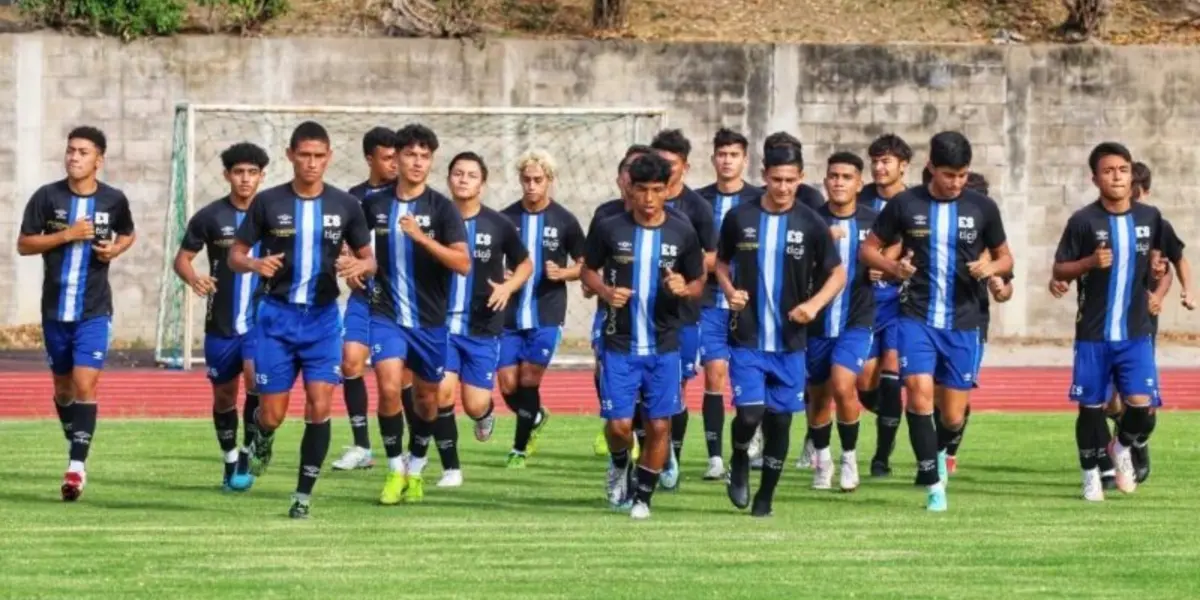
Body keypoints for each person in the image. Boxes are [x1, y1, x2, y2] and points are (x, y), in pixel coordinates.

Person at [858, 131, 1013, 512]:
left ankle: (941, 453)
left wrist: (990, 267)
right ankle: (932, 482)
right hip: (915, 317)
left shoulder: (982, 208)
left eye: (962, 175)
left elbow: (1006, 258)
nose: (956, 182)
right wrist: (893, 267)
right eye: (948, 175)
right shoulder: (905, 204)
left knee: (953, 414)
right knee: (918, 393)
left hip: (964, 320)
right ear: (930, 168)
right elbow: (867, 250)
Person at [228, 120, 376, 519]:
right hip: (276, 319)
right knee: (272, 414)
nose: (311, 163)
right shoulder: (268, 203)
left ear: (328, 157)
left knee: (319, 403)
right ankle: (259, 439)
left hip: (324, 321)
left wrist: (356, 264)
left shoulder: (346, 205)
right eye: (304, 155)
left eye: (319, 156)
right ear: (291, 155)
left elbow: (369, 257)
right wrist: (254, 263)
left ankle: (302, 494)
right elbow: (235, 254)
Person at [718, 144, 846, 517]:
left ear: (801, 178)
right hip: (748, 337)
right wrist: (729, 291)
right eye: (776, 180)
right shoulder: (740, 218)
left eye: (791, 180)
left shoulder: (810, 223)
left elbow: (837, 273)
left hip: (791, 342)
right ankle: (739, 458)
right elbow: (722, 263)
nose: (784, 187)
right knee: (749, 415)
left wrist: (814, 305)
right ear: (764, 177)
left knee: (780, 421)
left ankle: (765, 498)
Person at [581, 152, 705, 520]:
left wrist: (684, 287)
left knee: (658, 424)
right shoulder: (609, 227)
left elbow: (699, 281)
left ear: (668, 189)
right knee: (619, 426)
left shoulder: (682, 231)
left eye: (656, 190)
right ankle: (620, 465)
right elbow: (587, 271)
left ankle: (643, 498)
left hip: (665, 344)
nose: (649, 199)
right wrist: (605, 292)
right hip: (619, 341)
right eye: (641, 190)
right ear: (629, 189)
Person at [18, 125, 137, 502]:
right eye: (70, 150)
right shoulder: (46, 196)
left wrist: (115, 250)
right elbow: (24, 244)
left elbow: (128, 233)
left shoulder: (114, 200)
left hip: (93, 310)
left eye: (83, 152)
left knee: (86, 385)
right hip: (55, 311)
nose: (74, 157)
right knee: (63, 389)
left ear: (98, 160)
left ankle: (76, 468)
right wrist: (65, 236)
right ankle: (78, 437)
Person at [1051, 142, 1169, 501]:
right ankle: (1090, 474)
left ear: (1131, 174)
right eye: (1108, 171)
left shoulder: (1151, 218)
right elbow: (1059, 268)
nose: (1116, 177)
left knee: (1140, 405)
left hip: (1136, 332)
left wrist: (1162, 283)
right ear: (1095, 178)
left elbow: (1170, 259)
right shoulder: (1083, 221)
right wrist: (1087, 263)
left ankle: (1122, 447)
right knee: (1090, 408)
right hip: (1093, 333)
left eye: (1122, 170)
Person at [364, 123, 470, 504]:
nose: (417, 162)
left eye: (425, 156)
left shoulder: (442, 208)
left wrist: (423, 239)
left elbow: (462, 263)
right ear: (397, 158)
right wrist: (353, 265)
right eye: (410, 154)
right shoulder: (374, 205)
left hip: (429, 320)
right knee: (390, 386)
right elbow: (357, 251)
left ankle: (418, 464)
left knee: (428, 401)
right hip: (386, 313)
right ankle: (394, 471)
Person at [172, 142, 269, 491]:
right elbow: (182, 259)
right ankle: (230, 460)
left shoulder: (274, 212)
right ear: (227, 175)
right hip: (221, 322)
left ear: (262, 176)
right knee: (225, 397)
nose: (245, 179)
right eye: (239, 172)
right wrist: (194, 277)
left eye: (252, 173)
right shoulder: (211, 216)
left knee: (257, 382)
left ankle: (247, 451)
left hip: (261, 321)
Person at [434, 152, 533, 487]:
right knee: (441, 394)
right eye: (458, 173)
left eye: (471, 175)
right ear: (448, 179)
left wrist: (508, 287)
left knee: (474, 403)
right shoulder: (434, 219)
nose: (463, 179)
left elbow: (525, 264)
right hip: (442, 324)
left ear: (482, 183)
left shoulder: (498, 224)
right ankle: (451, 469)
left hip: (482, 326)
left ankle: (485, 415)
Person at [498, 150, 586, 468]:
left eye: (538, 180)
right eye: (527, 180)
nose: (532, 185)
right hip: (509, 314)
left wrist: (564, 274)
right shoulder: (506, 218)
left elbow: (586, 266)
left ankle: (518, 449)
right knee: (508, 384)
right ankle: (535, 415)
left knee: (529, 379)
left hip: (547, 313)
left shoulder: (564, 220)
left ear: (549, 180)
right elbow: (489, 260)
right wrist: (501, 276)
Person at [694, 128, 764, 480]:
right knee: (715, 374)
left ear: (745, 160)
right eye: (721, 154)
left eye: (734, 155)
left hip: (752, 303)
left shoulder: (760, 200)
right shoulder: (697, 200)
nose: (727, 160)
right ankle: (714, 457)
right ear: (713, 159)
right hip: (710, 300)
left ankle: (753, 438)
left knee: (750, 372)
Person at [804, 152, 876, 492]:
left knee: (844, 384)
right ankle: (822, 459)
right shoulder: (809, 221)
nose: (839, 182)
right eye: (833, 176)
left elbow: (893, 257)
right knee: (817, 399)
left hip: (856, 320)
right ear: (825, 181)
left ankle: (849, 458)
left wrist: (886, 271)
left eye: (847, 177)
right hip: (816, 325)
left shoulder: (874, 223)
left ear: (859, 183)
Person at [650, 129, 717, 490]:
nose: (663, 170)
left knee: (674, 387)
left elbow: (714, 256)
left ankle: (670, 452)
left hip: (686, 313)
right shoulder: (639, 202)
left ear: (685, 167)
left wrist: (684, 265)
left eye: (670, 165)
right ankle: (649, 451)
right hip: (642, 314)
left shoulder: (697, 209)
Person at [332, 126, 399, 471]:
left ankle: (410, 448)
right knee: (350, 362)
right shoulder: (352, 198)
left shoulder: (405, 198)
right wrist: (346, 262)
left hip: (400, 301)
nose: (395, 164)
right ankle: (362, 447)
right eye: (387, 157)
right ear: (369, 158)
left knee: (399, 381)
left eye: (396, 157)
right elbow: (340, 242)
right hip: (363, 297)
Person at [940, 171, 1014, 476]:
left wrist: (998, 285)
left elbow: (1007, 288)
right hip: (926, 320)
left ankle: (947, 451)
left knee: (956, 396)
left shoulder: (990, 241)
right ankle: (932, 455)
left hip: (971, 322)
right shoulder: (937, 231)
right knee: (929, 392)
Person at [848, 133, 912, 477]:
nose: (879, 167)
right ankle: (887, 414)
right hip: (865, 301)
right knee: (864, 381)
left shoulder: (915, 202)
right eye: (875, 161)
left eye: (886, 161)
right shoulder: (862, 199)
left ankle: (881, 458)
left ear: (904, 166)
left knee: (892, 366)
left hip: (901, 303)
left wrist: (890, 264)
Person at [588, 144, 655, 459]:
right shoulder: (606, 216)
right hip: (612, 320)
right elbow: (589, 267)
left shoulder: (674, 221)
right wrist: (601, 289)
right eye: (630, 170)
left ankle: (650, 447)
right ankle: (617, 430)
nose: (634, 178)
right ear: (621, 179)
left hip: (658, 326)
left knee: (654, 397)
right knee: (605, 374)